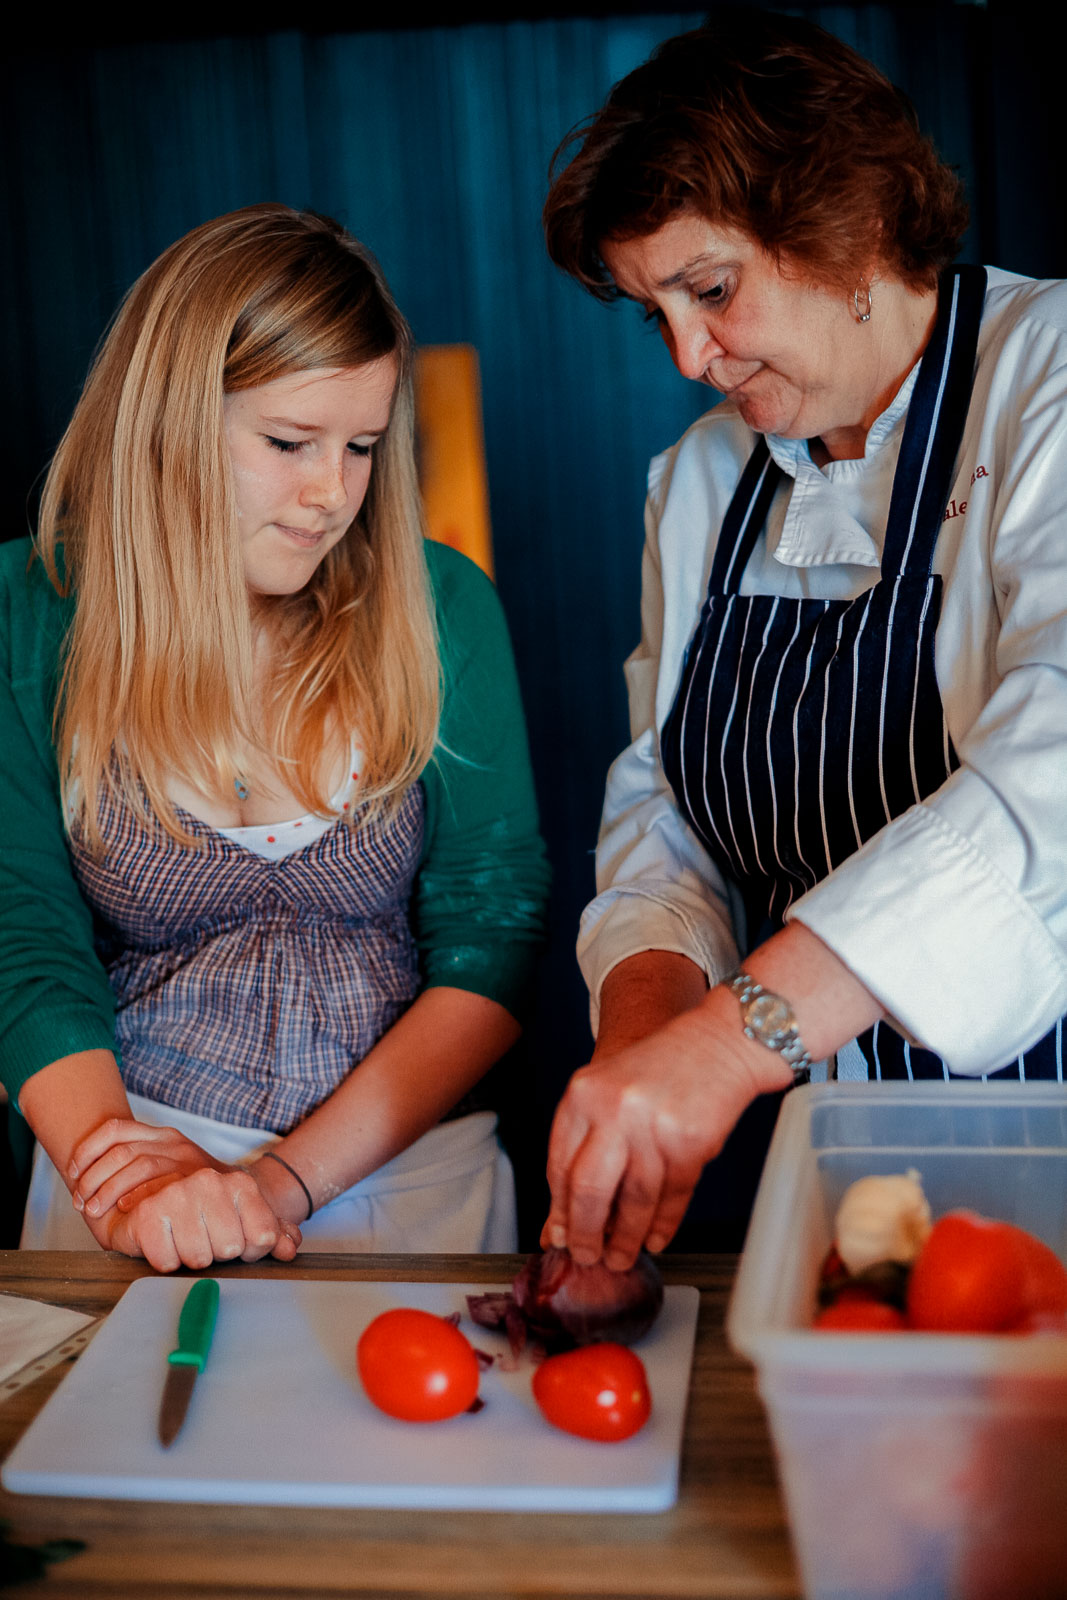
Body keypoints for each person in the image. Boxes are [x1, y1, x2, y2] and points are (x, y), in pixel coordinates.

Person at [539, 11, 1067, 1272]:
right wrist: (642, 1064)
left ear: (845, 226)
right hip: (824, 1169)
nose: (683, 356)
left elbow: (1051, 776)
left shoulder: (1044, 378)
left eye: (709, 290)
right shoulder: (699, 481)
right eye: (650, 311)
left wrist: (726, 1046)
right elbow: (666, 807)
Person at [0, 204, 550, 1271]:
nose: (330, 495)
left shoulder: (440, 605)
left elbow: (496, 931)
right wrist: (128, 1172)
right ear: (166, 419)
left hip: (409, 1176)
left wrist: (277, 1182)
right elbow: (24, 933)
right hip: (131, 1172)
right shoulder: (29, 613)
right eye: (289, 442)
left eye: (360, 447)